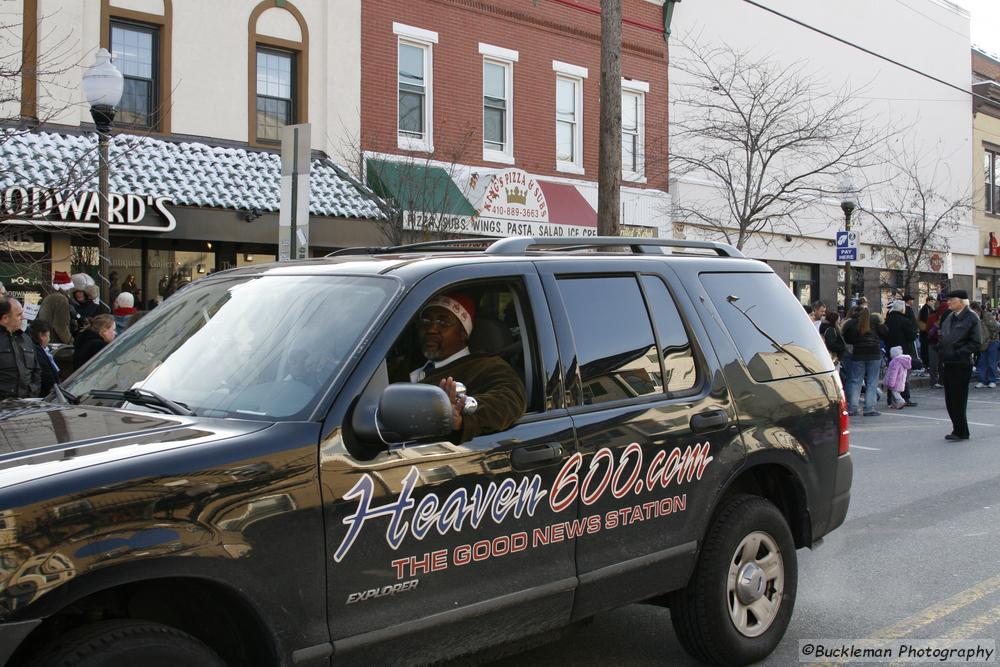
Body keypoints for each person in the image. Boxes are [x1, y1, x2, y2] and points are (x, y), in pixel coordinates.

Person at [409, 292, 526, 443]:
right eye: (426, 320)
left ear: (463, 332)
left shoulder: (487, 366)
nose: (431, 329)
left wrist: (463, 414)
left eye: (443, 322)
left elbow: (509, 399)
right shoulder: (406, 361)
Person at [938, 290, 980, 441]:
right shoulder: (950, 316)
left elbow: (975, 343)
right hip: (948, 362)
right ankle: (957, 428)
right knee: (950, 400)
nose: (948, 302)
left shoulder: (971, 317)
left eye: (951, 300)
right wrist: (941, 349)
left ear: (961, 301)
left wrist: (958, 353)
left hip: (961, 363)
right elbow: (943, 335)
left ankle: (962, 431)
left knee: (958, 399)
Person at [842, 306, 887, 416]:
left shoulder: (853, 323)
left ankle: (852, 407)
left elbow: (847, 337)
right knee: (872, 381)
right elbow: (885, 333)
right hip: (874, 353)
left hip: (858, 353)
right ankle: (869, 407)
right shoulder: (875, 321)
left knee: (856, 381)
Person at [0, 297, 40, 400]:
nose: (23, 317)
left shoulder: (26, 339)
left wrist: (32, 394)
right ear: (5, 318)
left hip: (26, 405)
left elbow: (36, 371)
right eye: (19, 315)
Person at [884, 300, 918, 407]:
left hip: (890, 350)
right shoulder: (904, 320)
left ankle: (891, 398)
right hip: (902, 350)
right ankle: (904, 397)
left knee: (892, 374)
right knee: (902, 375)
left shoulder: (887, 320)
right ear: (902, 309)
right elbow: (912, 336)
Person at [37, 271, 75, 344]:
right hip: (56, 342)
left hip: (47, 340)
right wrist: (70, 341)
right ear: (66, 287)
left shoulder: (49, 297)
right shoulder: (61, 299)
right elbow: (60, 326)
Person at [27, 320, 59, 397]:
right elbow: (47, 376)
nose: (49, 339)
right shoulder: (38, 353)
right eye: (48, 336)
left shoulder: (35, 348)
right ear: (41, 335)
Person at [974, 304, 1000, 388]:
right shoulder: (975, 318)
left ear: (978, 310)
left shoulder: (987, 316)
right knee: (982, 362)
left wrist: (991, 336)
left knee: (991, 362)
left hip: (991, 341)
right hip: (983, 343)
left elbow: (995, 327)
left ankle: (992, 380)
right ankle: (982, 380)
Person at [883, 346, 912, 410]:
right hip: (901, 381)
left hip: (895, 381)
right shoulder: (903, 361)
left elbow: (893, 373)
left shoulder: (895, 362)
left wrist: (891, 383)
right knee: (896, 393)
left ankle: (901, 401)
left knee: (895, 393)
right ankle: (895, 404)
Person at [918, 296, 936, 370]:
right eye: (932, 301)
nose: (933, 303)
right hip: (925, 332)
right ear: (928, 301)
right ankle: (926, 363)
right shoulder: (925, 309)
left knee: (925, 348)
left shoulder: (929, 308)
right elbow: (927, 320)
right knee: (925, 349)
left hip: (925, 332)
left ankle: (926, 363)